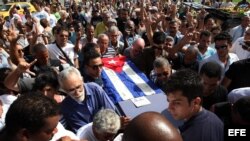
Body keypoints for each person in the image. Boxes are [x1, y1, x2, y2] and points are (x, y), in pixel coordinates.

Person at [164, 69, 224, 141]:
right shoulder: (215, 119)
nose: (169, 108)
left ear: (195, 102)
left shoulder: (189, 137)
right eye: (169, 101)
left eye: (177, 103)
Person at [58, 66, 118, 133]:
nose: (77, 93)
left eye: (78, 87)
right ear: (64, 90)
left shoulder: (95, 89)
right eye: (71, 90)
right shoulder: (66, 107)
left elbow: (111, 111)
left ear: (82, 80)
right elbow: (82, 131)